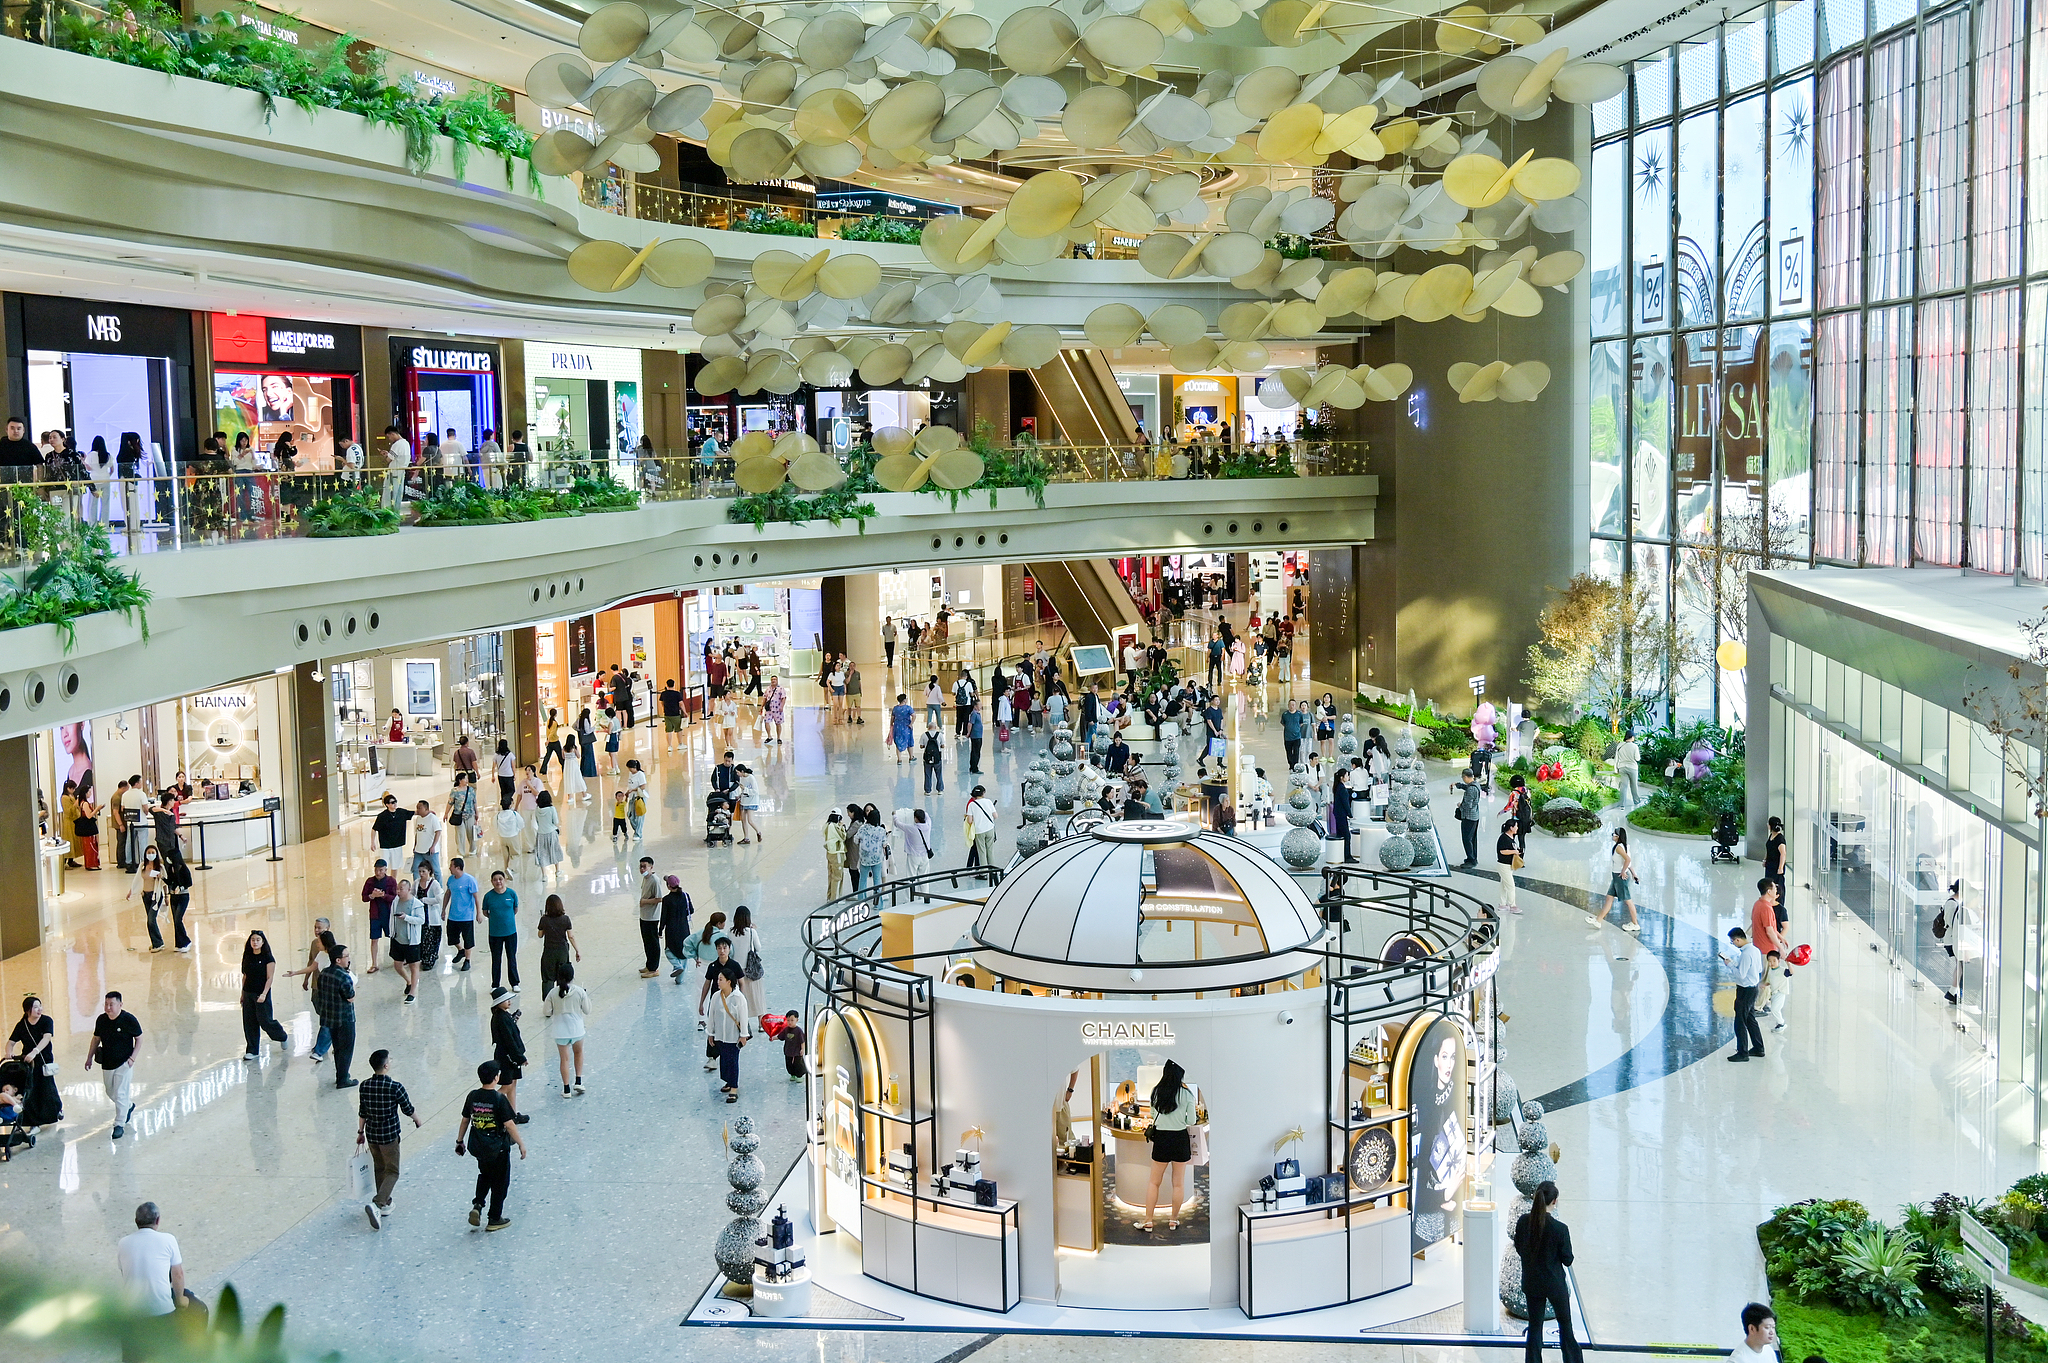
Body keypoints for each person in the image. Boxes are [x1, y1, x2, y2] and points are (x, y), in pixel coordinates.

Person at [1513, 1181, 1581, 1363]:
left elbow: (1519, 1247)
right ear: (1554, 1201)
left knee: (1535, 1327)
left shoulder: (1523, 1222)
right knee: (1565, 1325)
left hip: (1532, 1283)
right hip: (1554, 1285)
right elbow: (1568, 1260)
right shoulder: (1560, 1229)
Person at [456, 1061, 526, 1232]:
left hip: (479, 1146)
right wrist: (521, 1144)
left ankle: (478, 1204)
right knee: (500, 1183)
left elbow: (465, 1120)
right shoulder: (499, 1099)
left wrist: (459, 1141)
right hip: (498, 1148)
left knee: (485, 1175)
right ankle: (494, 1218)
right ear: (496, 1078)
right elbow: (509, 1124)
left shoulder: (472, 1096)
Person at [356, 1050, 421, 1229]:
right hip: (389, 1135)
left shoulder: (364, 1086)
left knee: (379, 1168)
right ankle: (378, 1204)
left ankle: (386, 1202)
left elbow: (363, 1111)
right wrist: (417, 1119)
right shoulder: (395, 1087)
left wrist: (360, 1131)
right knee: (393, 1171)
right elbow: (407, 1108)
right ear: (386, 1066)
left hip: (372, 1134)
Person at [117, 1202, 186, 1361]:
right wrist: (181, 1299)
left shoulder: (123, 1243)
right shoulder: (168, 1239)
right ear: (158, 1220)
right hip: (162, 1311)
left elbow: (125, 1272)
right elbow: (178, 1274)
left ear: (136, 1221)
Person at [1140, 1060, 1197, 1232]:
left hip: (1162, 1139)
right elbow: (1191, 1121)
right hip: (1180, 1138)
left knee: (1153, 1182)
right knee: (1178, 1184)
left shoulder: (1156, 1091)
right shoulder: (1187, 1094)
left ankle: (1148, 1220)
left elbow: (1152, 1114)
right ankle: (1173, 1220)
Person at [88, 992, 142, 1138]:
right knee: (110, 1092)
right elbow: (96, 1039)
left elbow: (139, 1038)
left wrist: (132, 1058)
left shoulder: (129, 1020)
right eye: (106, 1004)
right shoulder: (101, 1020)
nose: (108, 1007)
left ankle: (119, 1124)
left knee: (120, 1093)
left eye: (111, 1004)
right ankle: (128, 1106)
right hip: (107, 1062)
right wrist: (89, 1057)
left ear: (120, 1005)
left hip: (124, 1063)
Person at [8, 995, 62, 1131]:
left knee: (47, 1088)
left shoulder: (46, 1021)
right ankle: (34, 1122)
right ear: (28, 1010)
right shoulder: (22, 1025)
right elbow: (11, 1041)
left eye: (40, 1006)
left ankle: (57, 1109)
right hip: (28, 1063)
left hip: (44, 1060)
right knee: (31, 1090)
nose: (39, 1009)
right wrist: (8, 1051)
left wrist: (35, 1051)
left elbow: (47, 1037)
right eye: (35, 1007)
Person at [237, 932, 289, 1060]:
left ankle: (281, 1035)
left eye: (258, 940)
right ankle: (252, 1050)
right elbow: (245, 976)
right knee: (249, 1022)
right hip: (248, 992)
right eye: (253, 940)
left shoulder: (268, 958)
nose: (255, 942)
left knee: (265, 1020)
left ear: (263, 942)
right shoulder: (247, 957)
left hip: (261, 993)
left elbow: (269, 977)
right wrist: (242, 994)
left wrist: (264, 994)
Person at [314, 944, 359, 1087]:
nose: (348, 958)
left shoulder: (324, 973)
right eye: (346, 956)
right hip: (344, 1018)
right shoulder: (344, 977)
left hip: (329, 1018)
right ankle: (343, 1079)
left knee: (338, 1047)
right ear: (338, 960)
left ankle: (341, 1074)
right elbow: (350, 997)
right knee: (346, 1048)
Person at [543, 964, 591, 1098]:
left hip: (560, 1031)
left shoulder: (552, 993)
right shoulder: (580, 991)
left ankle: (566, 1089)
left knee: (564, 1059)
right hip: (577, 1029)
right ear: (572, 976)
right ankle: (579, 1081)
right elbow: (587, 1010)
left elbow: (546, 1011)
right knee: (579, 1053)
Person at [707, 968, 753, 1104]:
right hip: (721, 1035)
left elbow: (744, 1017)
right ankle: (728, 1081)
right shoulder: (716, 996)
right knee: (724, 1061)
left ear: (729, 981)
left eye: (721, 979)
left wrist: (743, 1035)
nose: (718, 982)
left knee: (732, 1061)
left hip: (734, 1036)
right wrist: (711, 1033)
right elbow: (712, 1016)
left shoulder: (738, 998)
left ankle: (734, 1087)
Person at [1719, 927, 1766, 1061]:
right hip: (1753, 988)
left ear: (1738, 939)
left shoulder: (1746, 954)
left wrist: (1729, 965)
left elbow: (1740, 974)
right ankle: (1758, 1047)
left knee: (1740, 1021)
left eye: (1732, 942)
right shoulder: (1755, 950)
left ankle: (1743, 1052)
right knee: (1750, 1019)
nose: (1733, 944)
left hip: (1745, 990)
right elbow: (1758, 969)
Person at [489, 986, 529, 1123]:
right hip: (507, 1057)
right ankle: (489, 1107)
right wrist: (520, 1057)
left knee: (512, 1084)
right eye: (506, 1000)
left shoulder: (501, 1016)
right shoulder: (502, 1018)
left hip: (507, 1056)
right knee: (506, 1086)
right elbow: (509, 1040)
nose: (509, 1002)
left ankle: (512, 1114)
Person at [1589, 828, 1641, 932]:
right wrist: (1634, 874)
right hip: (1616, 877)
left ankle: (1635, 924)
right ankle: (1598, 920)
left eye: (1614, 834)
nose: (1612, 835)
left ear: (1618, 836)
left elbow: (1628, 860)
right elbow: (1629, 863)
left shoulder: (1619, 847)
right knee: (1609, 897)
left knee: (1628, 900)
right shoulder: (1624, 847)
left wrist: (1623, 871)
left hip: (1620, 877)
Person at [126, 844, 170, 952]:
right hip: (145, 895)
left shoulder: (160, 867)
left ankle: (158, 943)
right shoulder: (142, 866)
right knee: (150, 920)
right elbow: (137, 880)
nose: (151, 855)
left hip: (156, 896)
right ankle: (156, 942)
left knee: (151, 920)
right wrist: (131, 891)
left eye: (153, 853)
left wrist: (166, 896)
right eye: (149, 853)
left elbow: (165, 883)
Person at [390, 877, 425, 1003]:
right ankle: (408, 981)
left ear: (409, 889)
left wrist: (407, 918)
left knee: (414, 966)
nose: (398, 891)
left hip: (412, 941)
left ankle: (413, 992)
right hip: (398, 938)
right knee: (397, 965)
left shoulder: (416, 904)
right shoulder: (395, 902)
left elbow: (421, 920)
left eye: (401, 889)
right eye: (397, 889)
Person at [484, 870, 520, 989]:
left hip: (510, 932)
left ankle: (514, 983)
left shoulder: (511, 894)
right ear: (492, 882)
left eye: (500, 879)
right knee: (496, 959)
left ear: (504, 880)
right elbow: (485, 912)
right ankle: (495, 984)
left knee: (511, 958)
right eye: (495, 879)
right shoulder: (488, 896)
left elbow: (515, 909)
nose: (498, 881)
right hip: (494, 933)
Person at [729, 904, 766, 1016]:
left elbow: (730, 951)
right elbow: (758, 947)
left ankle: (742, 1019)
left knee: (740, 997)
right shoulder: (751, 932)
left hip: (736, 970)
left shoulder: (730, 932)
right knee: (756, 997)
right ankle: (760, 1024)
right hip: (750, 969)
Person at [445, 858, 480, 973]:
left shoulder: (470, 880)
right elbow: (448, 893)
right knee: (452, 937)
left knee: (468, 939)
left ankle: (467, 960)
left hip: (466, 915)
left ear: (458, 868)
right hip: (453, 915)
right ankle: (461, 950)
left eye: (451, 866)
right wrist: (443, 909)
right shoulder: (451, 880)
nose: (450, 868)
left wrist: (478, 912)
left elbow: (476, 897)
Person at [660, 876, 695, 981]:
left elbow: (664, 916)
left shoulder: (666, 899)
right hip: (684, 928)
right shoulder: (685, 896)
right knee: (683, 951)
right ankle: (679, 979)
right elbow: (691, 910)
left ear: (668, 886)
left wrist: (660, 930)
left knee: (669, 950)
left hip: (671, 929)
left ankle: (677, 966)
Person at [635, 856, 663, 978]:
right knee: (647, 942)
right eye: (640, 866)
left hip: (652, 917)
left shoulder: (654, 880)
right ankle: (649, 964)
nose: (642, 869)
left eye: (644, 866)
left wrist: (644, 902)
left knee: (653, 943)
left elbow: (659, 898)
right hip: (644, 916)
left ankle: (654, 968)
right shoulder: (645, 879)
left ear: (651, 867)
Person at [409, 798, 444, 889]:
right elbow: (417, 833)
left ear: (426, 808)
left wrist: (433, 846)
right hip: (419, 850)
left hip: (430, 851)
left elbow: (438, 832)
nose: (418, 810)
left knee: (436, 871)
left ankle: (440, 888)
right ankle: (417, 887)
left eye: (420, 808)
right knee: (415, 869)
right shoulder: (418, 819)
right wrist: (415, 845)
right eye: (417, 808)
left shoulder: (433, 818)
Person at [852, 805, 889, 889]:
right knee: (877, 879)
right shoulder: (881, 830)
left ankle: (861, 899)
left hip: (864, 858)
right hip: (877, 858)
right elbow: (884, 844)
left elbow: (855, 840)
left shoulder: (862, 828)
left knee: (863, 879)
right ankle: (878, 900)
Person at [1453, 768, 1483, 869]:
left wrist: (1460, 805)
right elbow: (1468, 788)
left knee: (1467, 839)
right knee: (1472, 839)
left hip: (1468, 817)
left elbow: (1467, 805)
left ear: (1466, 777)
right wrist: (1459, 785)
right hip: (1475, 816)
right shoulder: (1476, 785)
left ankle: (1471, 860)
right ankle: (1473, 857)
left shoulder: (1471, 789)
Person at [531, 791, 564, 881]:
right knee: (554, 850)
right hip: (551, 833)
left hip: (541, 834)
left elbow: (536, 822)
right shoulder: (552, 809)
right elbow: (555, 821)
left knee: (542, 853)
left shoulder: (537, 810)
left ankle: (544, 875)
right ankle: (557, 871)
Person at [446, 771, 478, 857]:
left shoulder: (471, 790)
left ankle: (473, 849)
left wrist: (476, 813)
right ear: (460, 780)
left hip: (470, 814)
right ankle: (460, 852)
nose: (467, 780)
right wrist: (446, 813)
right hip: (458, 816)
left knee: (471, 833)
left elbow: (474, 802)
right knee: (460, 835)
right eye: (465, 778)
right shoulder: (454, 791)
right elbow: (450, 803)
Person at [965, 786, 998, 869]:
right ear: (983, 793)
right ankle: (993, 869)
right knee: (990, 850)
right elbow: (995, 816)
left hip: (979, 831)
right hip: (990, 829)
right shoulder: (988, 801)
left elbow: (969, 821)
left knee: (981, 852)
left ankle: (984, 872)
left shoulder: (972, 805)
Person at [1497, 818, 1522, 915]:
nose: (1517, 828)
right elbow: (1502, 851)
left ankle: (1502, 904)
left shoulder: (1510, 838)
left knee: (1504, 885)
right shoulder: (1504, 838)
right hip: (1504, 866)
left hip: (1508, 865)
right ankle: (1513, 905)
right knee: (1511, 886)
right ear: (1511, 828)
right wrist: (1514, 852)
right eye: (1516, 826)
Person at [1612, 731, 1642, 808]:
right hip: (1632, 768)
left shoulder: (1620, 745)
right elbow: (1637, 758)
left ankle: (1622, 804)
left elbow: (1616, 758)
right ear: (1631, 737)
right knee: (1634, 785)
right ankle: (1636, 801)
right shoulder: (1635, 746)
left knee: (1623, 786)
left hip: (1622, 767)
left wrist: (1616, 769)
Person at [1764, 815, 1788, 908]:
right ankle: (1769, 902)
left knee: (1778, 886)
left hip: (1776, 866)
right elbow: (1768, 849)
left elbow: (1783, 854)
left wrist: (1780, 867)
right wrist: (1765, 859)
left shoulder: (1780, 839)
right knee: (1768, 885)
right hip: (1769, 865)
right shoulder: (1771, 836)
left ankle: (1778, 905)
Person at [735, 764, 763, 844]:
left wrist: (745, 789)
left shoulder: (751, 778)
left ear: (742, 771)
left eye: (738, 772)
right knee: (743, 820)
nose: (737, 774)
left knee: (750, 820)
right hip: (744, 801)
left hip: (752, 801)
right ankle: (746, 838)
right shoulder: (742, 779)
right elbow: (743, 790)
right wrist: (740, 795)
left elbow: (755, 791)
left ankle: (758, 831)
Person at [823, 810, 848, 899]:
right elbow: (843, 837)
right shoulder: (833, 826)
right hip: (837, 854)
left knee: (831, 875)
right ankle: (836, 897)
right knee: (837, 876)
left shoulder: (826, 825)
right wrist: (842, 827)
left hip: (830, 853)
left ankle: (830, 896)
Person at [891, 693, 916, 766]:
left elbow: (892, 718)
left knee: (898, 742)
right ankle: (911, 757)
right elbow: (914, 716)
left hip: (897, 727)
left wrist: (891, 725)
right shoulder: (908, 708)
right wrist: (911, 724)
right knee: (909, 741)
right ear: (904, 700)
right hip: (906, 727)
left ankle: (899, 759)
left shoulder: (895, 708)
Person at [660, 679, 685, 751]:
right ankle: (680, 744)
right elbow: (681, 703)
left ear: (667, 685)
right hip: (676, 714)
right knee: (679, 729)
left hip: (667, 714)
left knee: (668, 730)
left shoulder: (663, 694)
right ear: (674, 685)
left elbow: (662, 703)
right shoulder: (677, 694)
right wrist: (685, 712)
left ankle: (669, 746)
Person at [493, 738, 517, 809]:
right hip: (509, 775)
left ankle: (504, 803)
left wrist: (492, 776)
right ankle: (507, 800)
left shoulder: (496, 755)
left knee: (503, 790)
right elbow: (513, 766)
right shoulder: (510, 755)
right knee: (511, 790)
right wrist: (514, 774)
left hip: (500, 775)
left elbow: (493, 767)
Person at [763, 677, 787, 744]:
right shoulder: (768, 689)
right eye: (772, 680)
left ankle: (779, 737)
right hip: (769, 709)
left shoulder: (780, 688)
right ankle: (769, 736)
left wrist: (781, 706)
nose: (773, 681)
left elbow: (783, 698)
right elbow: (765, 698)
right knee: (766, 722)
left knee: (778, 723)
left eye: (775, 680)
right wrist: (762, 706)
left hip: (777, 709)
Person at [922, 728, 945, 794]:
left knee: (927, 774)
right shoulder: (940, 735)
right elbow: (943, 745)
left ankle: (927, 790)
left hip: (927, 758)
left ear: (928, 728)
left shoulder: (924, 735)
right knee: (939, 774)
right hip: (937, 757)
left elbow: (921, 746)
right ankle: (940, 790)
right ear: (935, 728)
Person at [967, 699, 985, 773]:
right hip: (976, 736)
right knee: (976, 752)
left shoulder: (977, 713)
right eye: (979, 705)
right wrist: (968, 733)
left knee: (975, 751)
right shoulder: (974, 714)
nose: (981, 706)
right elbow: (970, 724)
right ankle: (974, 768)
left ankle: (973, 767)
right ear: (975, 706)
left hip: (978, 735)